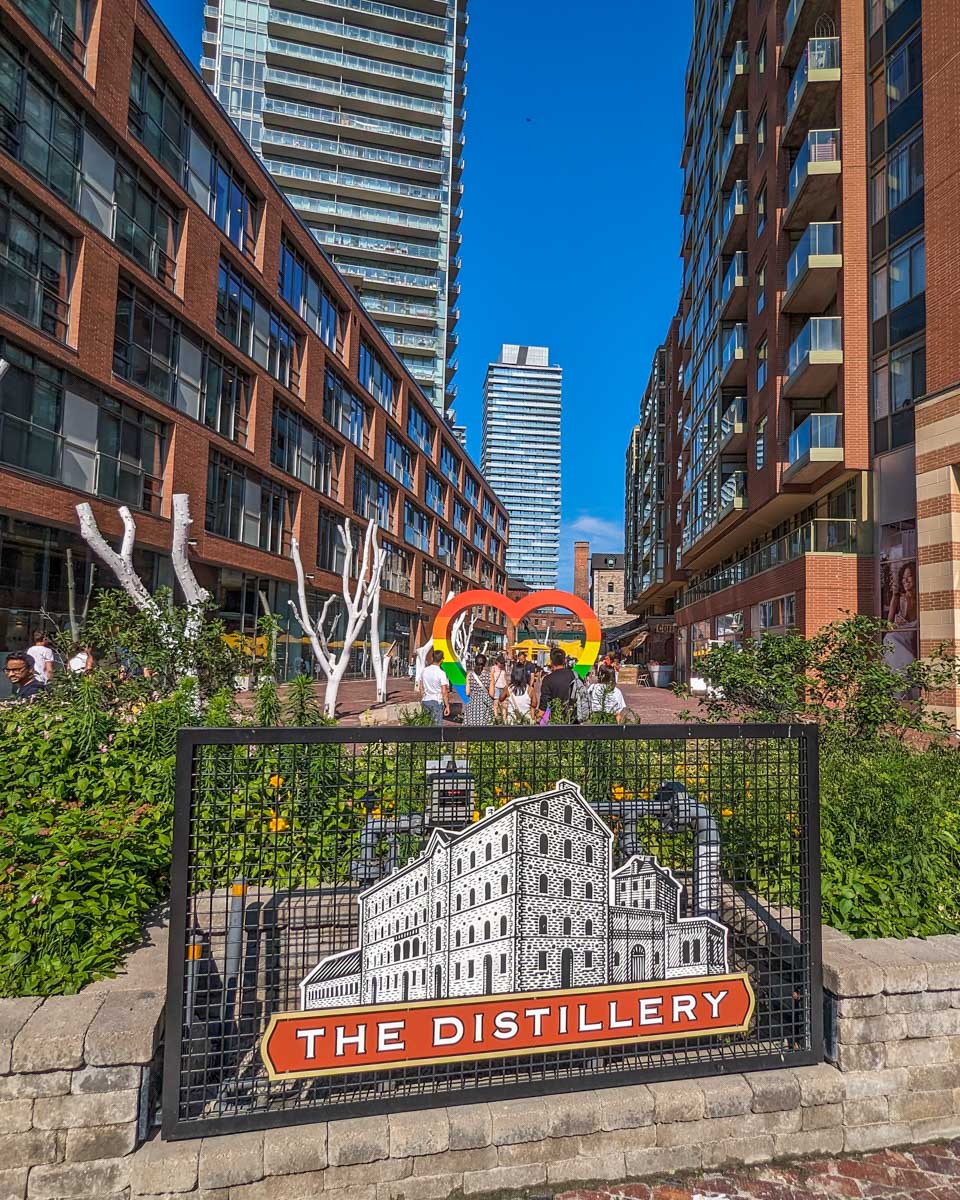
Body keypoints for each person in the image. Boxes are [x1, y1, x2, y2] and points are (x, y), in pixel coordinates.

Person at [535, 646, 578, 723]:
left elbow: (544, 704)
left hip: (557, 720)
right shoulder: (575, 676)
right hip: (574, 719)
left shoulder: (548, 680)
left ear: (551, 662)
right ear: (564, 661)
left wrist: (537, 720)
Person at [418, 649, 449, 726]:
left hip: (426, 700)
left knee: (426, 725)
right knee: (436, 727)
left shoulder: (424, 670)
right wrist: (447, 705)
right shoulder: (441, 673)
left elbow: (421, 687)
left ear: (432, 658)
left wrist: (423, 697)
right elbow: (444, 692)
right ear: (442, 660)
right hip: (436, 701)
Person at [464, 652, 494, 726]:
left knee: (472, 729)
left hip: (472, 705)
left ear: (475, 662)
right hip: (485, 706)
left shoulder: (469, 675)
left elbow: (467, 693)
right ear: (485, 663)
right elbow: (491, 694)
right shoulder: (489, 676)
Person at [887, 562, 918, 627]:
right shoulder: (898, 598)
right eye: (903, 577)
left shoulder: (920, 598)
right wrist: (895, 625)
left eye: (909, 576)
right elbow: (889, 625)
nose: (905, 580)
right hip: (896, 635)